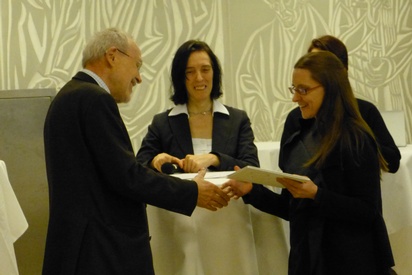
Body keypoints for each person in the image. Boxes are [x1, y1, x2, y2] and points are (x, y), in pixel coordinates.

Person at [42, 28, 231, 275]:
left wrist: (150, 168)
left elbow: (103, 173)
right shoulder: (95, 99)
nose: (139, 77)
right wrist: (192, 191)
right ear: (112, 56)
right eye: (137, 65)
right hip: (100, 254)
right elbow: (127, 178)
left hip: (76, 249)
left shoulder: (67, 97)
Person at [223, 51, 395, 275]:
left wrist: (317, 195)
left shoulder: (356, 139)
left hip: (349, 262)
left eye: (303, 90)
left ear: (331, 89)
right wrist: (252, 191)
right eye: (294, 89)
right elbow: (291, 208)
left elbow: (367, 211)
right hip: (308, 260)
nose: (295, 98)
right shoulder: (300, 137)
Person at [136, 39, 259, 172]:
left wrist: (215, 159)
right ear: (180, 77)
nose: (199, 78)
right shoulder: (162, 123)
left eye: (205, 69)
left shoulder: (238, 120)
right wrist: (155, 162)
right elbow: (139, 167)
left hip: (229, 192)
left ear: (214, 73)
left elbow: (252, 169)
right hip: (185, 193)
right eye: (190, 72)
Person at [284, 34, 401, 172]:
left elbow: (392, 162)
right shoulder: (296, 117)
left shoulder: (365, 112)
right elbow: (287, 168)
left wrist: (357, 142)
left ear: (340, 74)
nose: (296, 98)